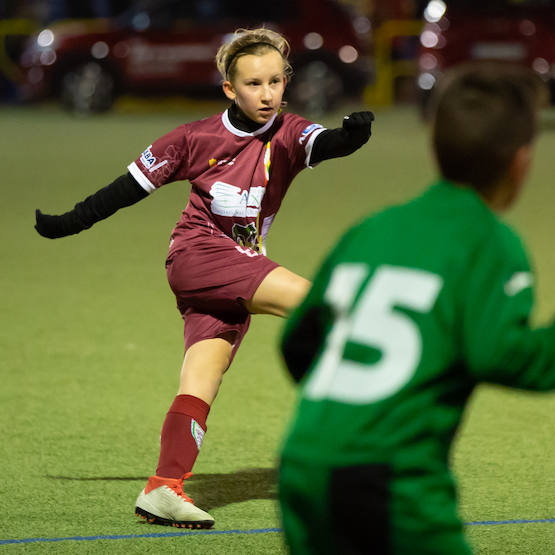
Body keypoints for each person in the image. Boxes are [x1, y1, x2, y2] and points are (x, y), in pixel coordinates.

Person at [33, 27, 374, 529]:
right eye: (254, 84)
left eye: (276, 82)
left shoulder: (288, 132)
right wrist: (69, 223)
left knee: (201, 382)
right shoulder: (193, 138)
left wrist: (353, 135)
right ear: (229, 90)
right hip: (198, 256)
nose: (267, 94)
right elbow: (124, 190)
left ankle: (163, 489)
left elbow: (325, 143)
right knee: (321, 304)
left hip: (235, 273)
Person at [277, 62, 555, 554]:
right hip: (389, 480)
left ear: (435, 145)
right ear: (520, 162)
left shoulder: (374, 227)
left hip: (302, 462)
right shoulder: (489, 242)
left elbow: (297, 344)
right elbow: (501, 354)